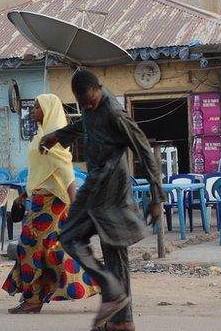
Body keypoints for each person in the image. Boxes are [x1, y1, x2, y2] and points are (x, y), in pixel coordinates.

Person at [39, 70, 165, 331]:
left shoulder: (115, 113)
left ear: (100, 88)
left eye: (91, 102)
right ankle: (123, 320)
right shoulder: (89, 103)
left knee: (70, 236)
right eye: (83, 104)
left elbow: (143, 149)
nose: (88, 107)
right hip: (100, 183)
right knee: (113, 250)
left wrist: (157, 197)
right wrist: (57, 136)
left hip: (108, 187)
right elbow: (83, 125)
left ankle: (111, 291)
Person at [2, 93, 100, 314]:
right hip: (39, 201)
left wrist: (75, 208)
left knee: (28, 248)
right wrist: (25, 195)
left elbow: (66, 173)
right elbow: (41, 172)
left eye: (37, 107)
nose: (33, 111)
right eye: (34, 106)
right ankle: (97, 279)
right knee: (53, 250)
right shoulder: (40, 136)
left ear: (48, 111)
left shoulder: (52, 140)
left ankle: (33, 300)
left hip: (52, 204)